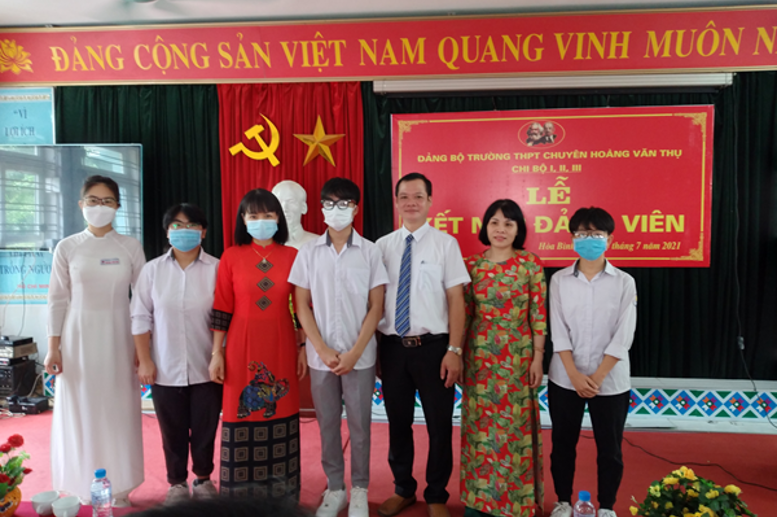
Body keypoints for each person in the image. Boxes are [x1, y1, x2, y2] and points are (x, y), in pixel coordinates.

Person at [289, 178, 388, 517]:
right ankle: (335, 489)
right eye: (329, 204)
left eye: (344, 204)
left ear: (356, 208)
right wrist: (320, 348)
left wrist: (356, 351)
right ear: (320, 209)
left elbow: (376, 306)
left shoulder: (371, 252)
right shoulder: (308, 252)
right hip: (322, 358)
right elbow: (301, 304)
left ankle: (359, 489)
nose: (336, 210)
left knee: (360, 427)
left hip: (360, 356)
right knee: (328, 425)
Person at [44, 175, 146, 506]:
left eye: (107, 201)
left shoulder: (130, 246)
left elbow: (143, 300)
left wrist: (143, 349)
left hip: (120, 336)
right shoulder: (68, 247)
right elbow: (57, 299)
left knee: (118, 408)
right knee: (81, 408)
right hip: (77, 338)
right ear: (81, 204)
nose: (99, 206)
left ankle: (121, 485)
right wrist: (53, 347)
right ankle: (79, 481)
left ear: (118, 206)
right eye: (93, 200)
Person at [376, 172, 470, 517]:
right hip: (392, 347)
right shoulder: (382, 247)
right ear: (396, 202)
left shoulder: (446, 244)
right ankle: (403, 488)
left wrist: (454, 350)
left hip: (435, 349)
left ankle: (436, 494)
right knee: (398, 422)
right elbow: (375, 302)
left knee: (439, 425)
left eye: (418, 196)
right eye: (404, 197)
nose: (411, 203)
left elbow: (456, 300)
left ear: (430, 201)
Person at [208, 189, 307, 499]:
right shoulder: (231, 256)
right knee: (238, 411)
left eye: (268, 215)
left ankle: (283, 494)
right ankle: (238, 494)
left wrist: (303, 348)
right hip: (240, 346)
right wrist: (217, 353)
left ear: (279, 218)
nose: (261, 221)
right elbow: (222, 307)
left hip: (282, 344)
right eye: (253, 215)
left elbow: (302, 308)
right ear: (243, 220)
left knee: (281, 406)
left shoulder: (293, 256)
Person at [547, 207, 637, 517]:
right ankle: (562, 501)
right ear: (572, 238)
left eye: (596, 234)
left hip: (610, 381)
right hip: (564, 378)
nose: (589, 240)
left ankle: (607, 506)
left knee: (610, 449)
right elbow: (558, 332)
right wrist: (573, 374)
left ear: (610, 239)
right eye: (582, 234)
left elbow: (623, 335)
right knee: (562, 444)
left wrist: (597, 377)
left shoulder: (624, 282)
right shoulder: (559, 280)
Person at [131, 203, 222, 504]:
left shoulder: (218, 269)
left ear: (203, 231)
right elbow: (140, 316)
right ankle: (177, 483)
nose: (185, 231)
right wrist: (145, 359)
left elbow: (225, 316)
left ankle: (204, 478)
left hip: (206, 364)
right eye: (177, 225)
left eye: (192, 225)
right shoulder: (152, 270)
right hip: (165, 366)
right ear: (167, 232)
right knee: (172, 431)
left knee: (206, 428)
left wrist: (219, 355)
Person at [461, 199, 546, 517]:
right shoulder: (471, 265)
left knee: (515, 433)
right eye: (494, 222)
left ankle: (517, 503)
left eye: (508, 224)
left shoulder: (530, 264)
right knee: (479, 430)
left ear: (518, 229)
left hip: (518, 360)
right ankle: (478, 501)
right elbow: (464, 316)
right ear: (485, 227)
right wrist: (458, 355)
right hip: (479, 360)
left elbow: (538, 315)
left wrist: (538, 358)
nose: (500, 229)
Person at [272, 180, 318, 250]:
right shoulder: (263, 245)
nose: (284, 208)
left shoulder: (318, 244)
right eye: (278, 202)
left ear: (303, 207)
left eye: (291, 201)